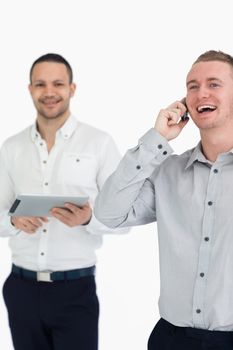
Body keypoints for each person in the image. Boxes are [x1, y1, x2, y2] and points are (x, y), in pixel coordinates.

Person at [94, 50, 233, 350]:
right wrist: (156, 140)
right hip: (171, 339)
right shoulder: (168, 171)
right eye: (192, 86)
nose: (200, 93)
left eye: (214, 84)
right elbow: (109, 213)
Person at [0, 53, 127, 350]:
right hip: (21, 289)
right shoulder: (11, 148)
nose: (49, 92)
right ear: (30, 89)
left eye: (58, 83)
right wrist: (12, 220)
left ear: (72, 88)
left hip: (75, 291)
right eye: (40, 84)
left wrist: (87, 219)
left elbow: (124, 218)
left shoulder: (100, 143)